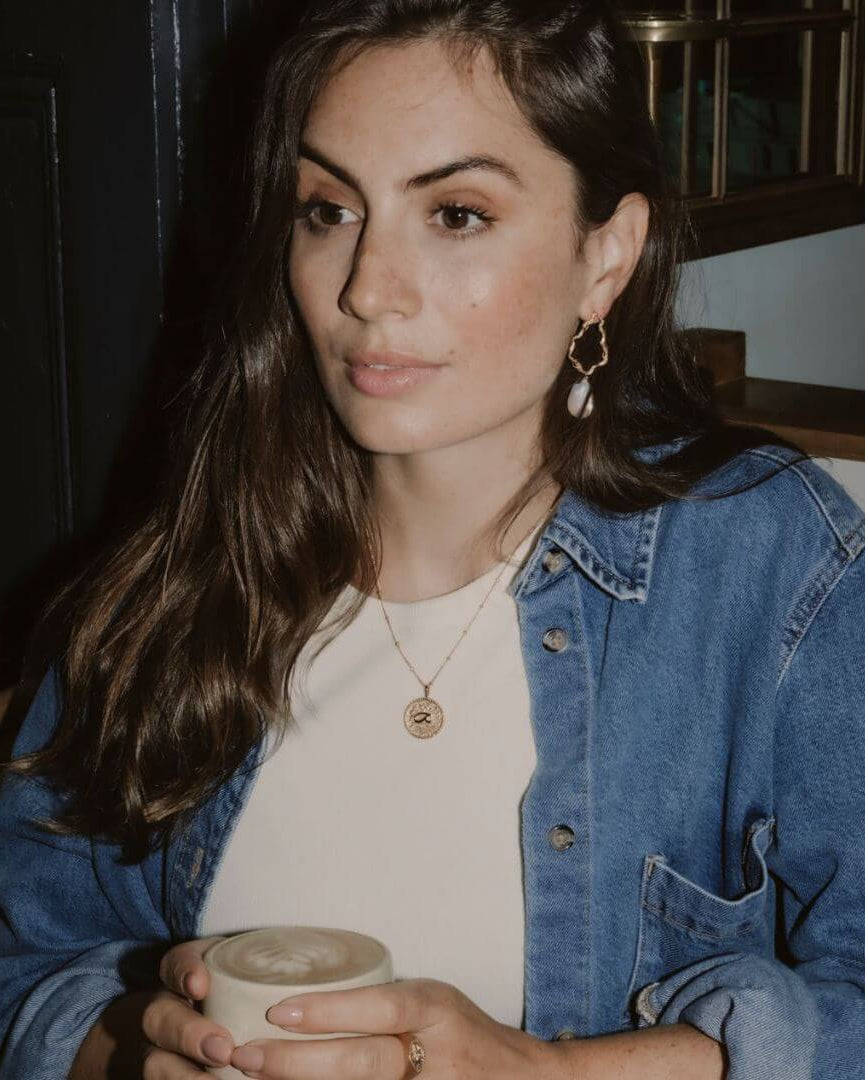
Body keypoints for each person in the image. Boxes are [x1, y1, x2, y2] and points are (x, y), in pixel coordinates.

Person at [2, 0, 864, 1077]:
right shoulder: (173, 582)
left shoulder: (769, 567)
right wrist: (122, 1049)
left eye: (455, 214)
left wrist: (556, 1073)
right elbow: (27, 954)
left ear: (605, 258)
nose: (366, 289)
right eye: (327, 209)